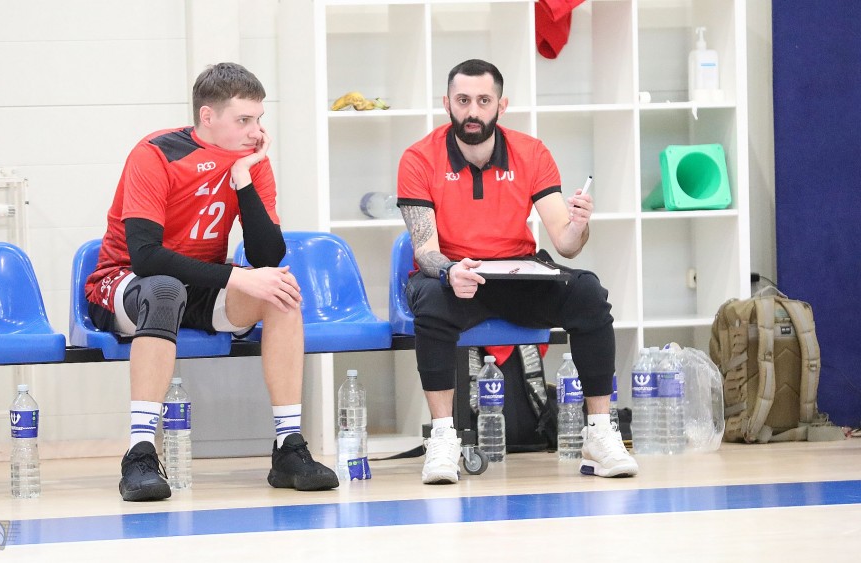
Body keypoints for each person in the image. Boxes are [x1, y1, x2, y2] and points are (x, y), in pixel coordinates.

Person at [85, 62, 338, 501]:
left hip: (197, 286)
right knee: (164, 288)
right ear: (208, 116)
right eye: (244, 120)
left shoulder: (250, 161)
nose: (256, 132)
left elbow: (267, 256)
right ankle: (140, 453)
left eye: (259, 119)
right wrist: (237, 276)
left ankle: (288, 447)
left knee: (280, 291)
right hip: (125, 283)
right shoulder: (156, 153)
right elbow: (146, 258)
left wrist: (244, 179)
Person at [396, 59, 638, 484]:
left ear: (501, 105)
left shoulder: (531, 152)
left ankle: (600, 433)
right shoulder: (418, 158)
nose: (473, 111)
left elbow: (566, 243)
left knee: (587, 293)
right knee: (431, 302)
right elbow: (425, 250)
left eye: (483, 100)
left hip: (517, 275)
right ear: (447, 104)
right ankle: (443, 437)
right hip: (456, 275)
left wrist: (579, 225)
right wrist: (450, 271)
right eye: (463, 100)